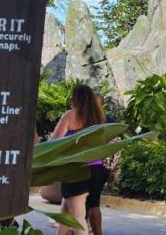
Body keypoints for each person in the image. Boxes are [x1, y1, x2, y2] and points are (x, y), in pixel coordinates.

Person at [51, 84, 107, 235]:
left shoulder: (71, 115)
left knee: (77, 216)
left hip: (75, 169)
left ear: (75, 99)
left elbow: (55, 140)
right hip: (96, 168)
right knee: (66, 212)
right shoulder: (98, 117)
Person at [86, 92, 115, 235]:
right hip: (104, 167)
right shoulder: (110, 121)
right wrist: (113, 169)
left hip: (89, 166)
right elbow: (117, 147)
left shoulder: (88, 119)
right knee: (93, 202)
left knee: (87, 204)